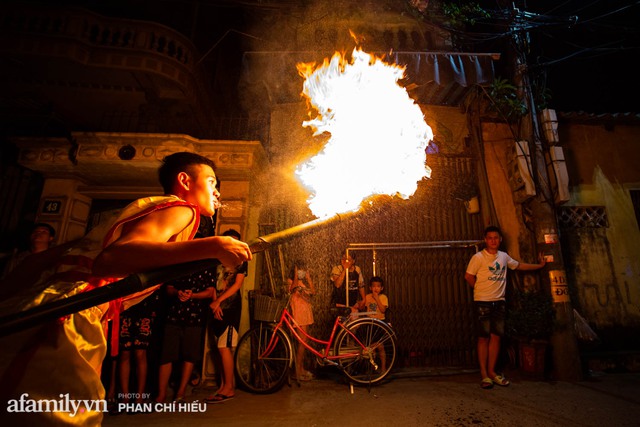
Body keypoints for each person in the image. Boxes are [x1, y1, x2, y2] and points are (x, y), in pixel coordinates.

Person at [0, 152, 252, 425]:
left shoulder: (138, 212)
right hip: (70, 314)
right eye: (212, 182)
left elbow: (37, 263)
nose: (216, 192)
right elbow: (112, 260)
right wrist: (213, 246)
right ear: (184, 181)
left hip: (41, 309)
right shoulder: (181, 209)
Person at [464, 225, 546, 390]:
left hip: (499, 302)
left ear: (500, 240)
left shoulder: (504, 257)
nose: (493, 240)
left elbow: (519, 266)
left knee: (496, 337)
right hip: (482, 303)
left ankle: (492, 372)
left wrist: (540, 266)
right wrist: (481, 291)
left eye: (496, 238)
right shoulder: (478, 257)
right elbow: (468, 276)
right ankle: (484, 375)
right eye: (490, 238)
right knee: (483, 338)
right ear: (485, 240)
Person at [155, 217, 216, 404]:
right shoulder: (178, 261)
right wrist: (178, 292)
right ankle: (161, 394)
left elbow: (210, 291)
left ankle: (180, 392)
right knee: (167, 354)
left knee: (189, 354)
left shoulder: (207, 264)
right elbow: (168, 287)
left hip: (194, 316)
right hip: (174, 314)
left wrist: (193, 296)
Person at [205, 229, 248, 403]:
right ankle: (223, 385)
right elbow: (214, 284)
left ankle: (229, 388)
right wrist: (215, 303)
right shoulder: (216, 260)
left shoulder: (241, 261)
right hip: (218, 307)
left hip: (231, 307)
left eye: (236, 240)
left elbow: (237, 285)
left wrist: (220, 301)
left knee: (225, 347)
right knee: (220, 348)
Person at [288, 259, 316, 381]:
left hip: (306, 313)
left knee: (304, 343)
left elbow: (313, 292)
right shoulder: (291, 281)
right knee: (301, 342)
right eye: (299, 270)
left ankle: (300, 367)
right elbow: (291, 289)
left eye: (303, 270)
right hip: (298, 314)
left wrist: (308, 278)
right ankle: (297, 370)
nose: (301, 272)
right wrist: (295, 276)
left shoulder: (304, 282)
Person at [364, 276, 389, 371]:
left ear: (381, 288)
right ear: (370, 288)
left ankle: (383, 368)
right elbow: (364, 307)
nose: (376, 288)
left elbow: (383, 310)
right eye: (374, 286)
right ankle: (372, 368)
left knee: (380, 346)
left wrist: (377, 298)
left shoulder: (383, 297)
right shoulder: (367, 297)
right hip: (369, 323)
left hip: (380, 323)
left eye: (378, 286)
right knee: (370, 348)